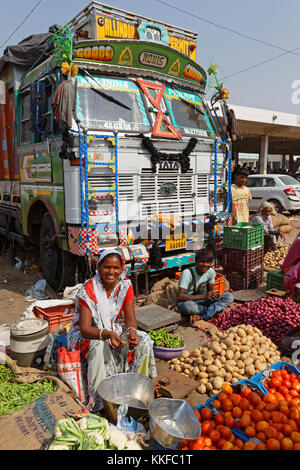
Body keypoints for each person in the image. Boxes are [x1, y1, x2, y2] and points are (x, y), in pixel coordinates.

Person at [67, 247, 157, 412]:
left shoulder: (125, 286)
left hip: (110, 328)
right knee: (98, 344)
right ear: (99, 268)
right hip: (86, 334)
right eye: (107, 267)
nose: (111, 271)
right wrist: (106, 334)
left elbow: (130, 318)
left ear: (122, 269)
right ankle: (99, 402)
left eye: (116, 268)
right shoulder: (88, 290)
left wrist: (132, 333)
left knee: (144, 339)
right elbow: (85, 328)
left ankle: (136, 390)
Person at [177, 248, 234, 322]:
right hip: (189, 301)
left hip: (204, 301)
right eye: (202, 262)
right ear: (196, 262)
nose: (205, 265)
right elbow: (180, 296)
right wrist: (204, 297)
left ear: (211, 263)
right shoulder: (187, 273)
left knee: (229, 296)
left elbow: (210, 290)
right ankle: (211, 311)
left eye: (208, 262)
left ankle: (203, 316)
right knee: (190, 307)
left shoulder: (211, 272)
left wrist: (214, 296)